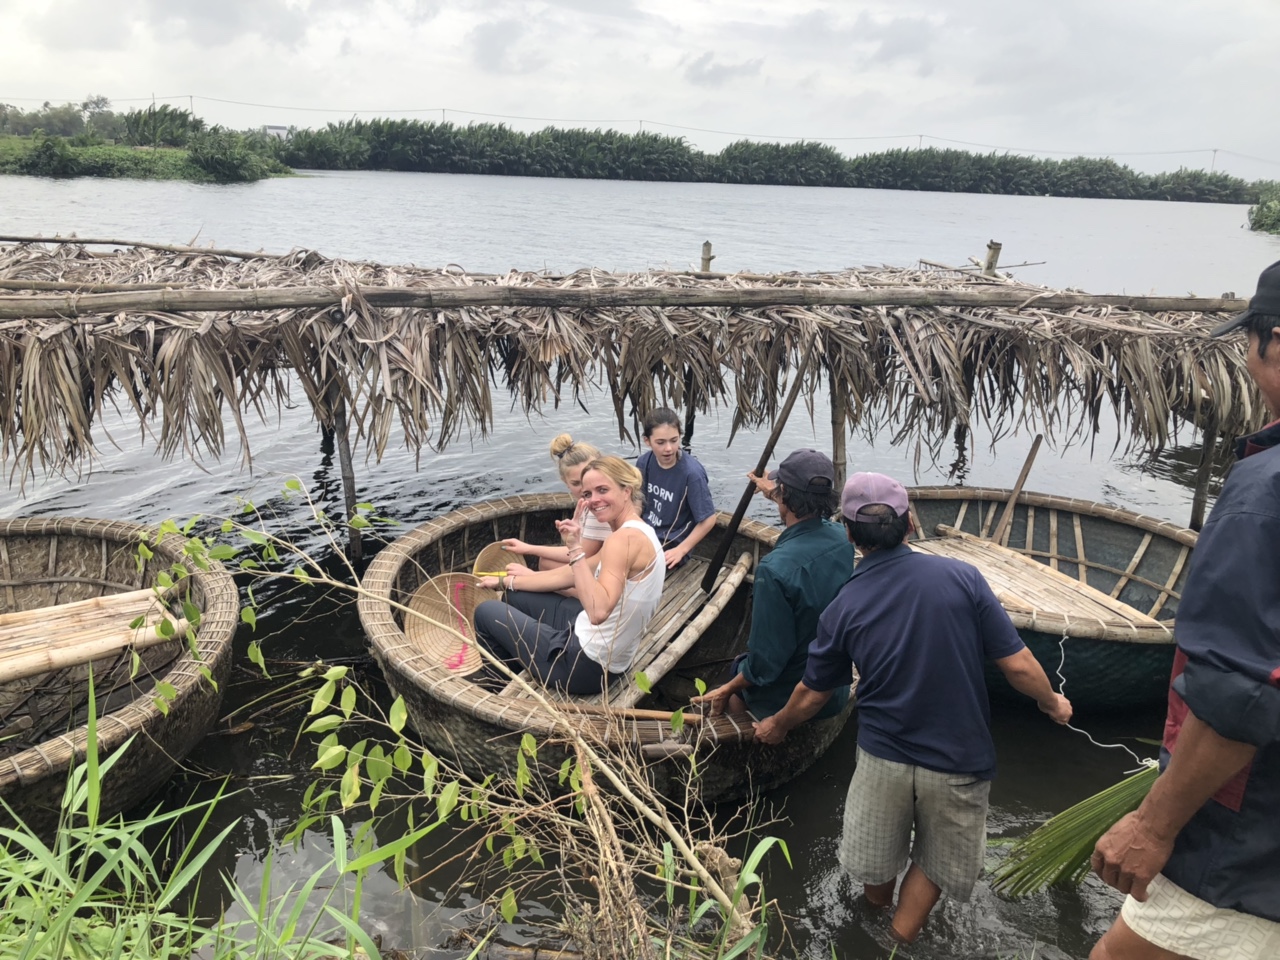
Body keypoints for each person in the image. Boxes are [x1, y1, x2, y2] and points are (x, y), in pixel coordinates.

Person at [754, 471, 1072, 945]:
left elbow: (812, 694)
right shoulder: (962, 577)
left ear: (848, 533)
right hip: (958, 759)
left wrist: (777, 725)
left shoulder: (845, 604)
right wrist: (1053, 702)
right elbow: (1020, 666)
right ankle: (900, 938)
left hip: (884, 758)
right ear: (911, 524)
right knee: (937, 861)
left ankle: (876, 919)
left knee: (876, 859)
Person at [1089, 260, 1280, 960]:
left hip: (1246, 840)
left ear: (1273, 344)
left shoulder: (1266, 490)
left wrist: (1155, 822)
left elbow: (1243, 689)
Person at [473, 456, 666, 694]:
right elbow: (570, 575)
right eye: (587, 494)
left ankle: (497, 691)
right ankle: (530, 660)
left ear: (626, 491)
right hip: (611, 657)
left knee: (484, 613)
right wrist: (507, 581)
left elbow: (598, 611)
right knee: (515, 596)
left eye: (603, 490)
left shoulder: (621, 540)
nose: (594, 500)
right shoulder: (640, 531)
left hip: (584, 667)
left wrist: (575, 547)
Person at [691, 448, 854, 721]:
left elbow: (766, 665)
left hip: (792, 695)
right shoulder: (842, 538)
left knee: (731, 683)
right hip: (833, 684)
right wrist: (774, 490)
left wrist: (729, 689)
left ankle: (752, 734)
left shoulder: (774, 570)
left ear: (785, 498)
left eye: (780, 490)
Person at [500, 434, 609, 575]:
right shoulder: (587, 505)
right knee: (545, 562)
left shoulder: (598, 509)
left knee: (541, 569)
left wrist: (532, 572)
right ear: (565, 482)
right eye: (576, 483)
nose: (584, 488)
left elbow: (584, 554)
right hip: (596, 567)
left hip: (604, 574)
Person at [636, 408, 717, 569]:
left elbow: (709, 518)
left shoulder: (692, 474)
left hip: (671, 544)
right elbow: (638, 499)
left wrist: (682, 549)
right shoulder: (644, 463)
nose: (668, 448)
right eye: (660, 442)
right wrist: (633, 524)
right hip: (646, 534)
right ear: (647, 441)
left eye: (674, 440)